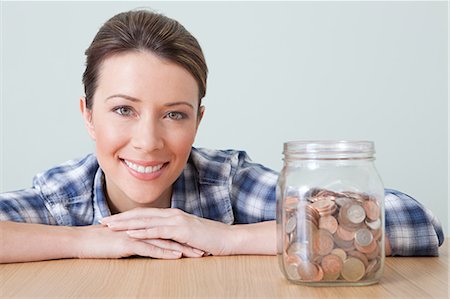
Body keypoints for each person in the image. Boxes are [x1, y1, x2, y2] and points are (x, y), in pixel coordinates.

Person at [0, 9, 443, 263]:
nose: (148, 140)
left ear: (198, 120)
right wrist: (86, 242)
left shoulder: (226, 182)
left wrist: (226, 238)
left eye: (174, 114)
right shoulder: (64, 198)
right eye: (123, 110)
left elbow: (414, 221)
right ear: (88, 116)